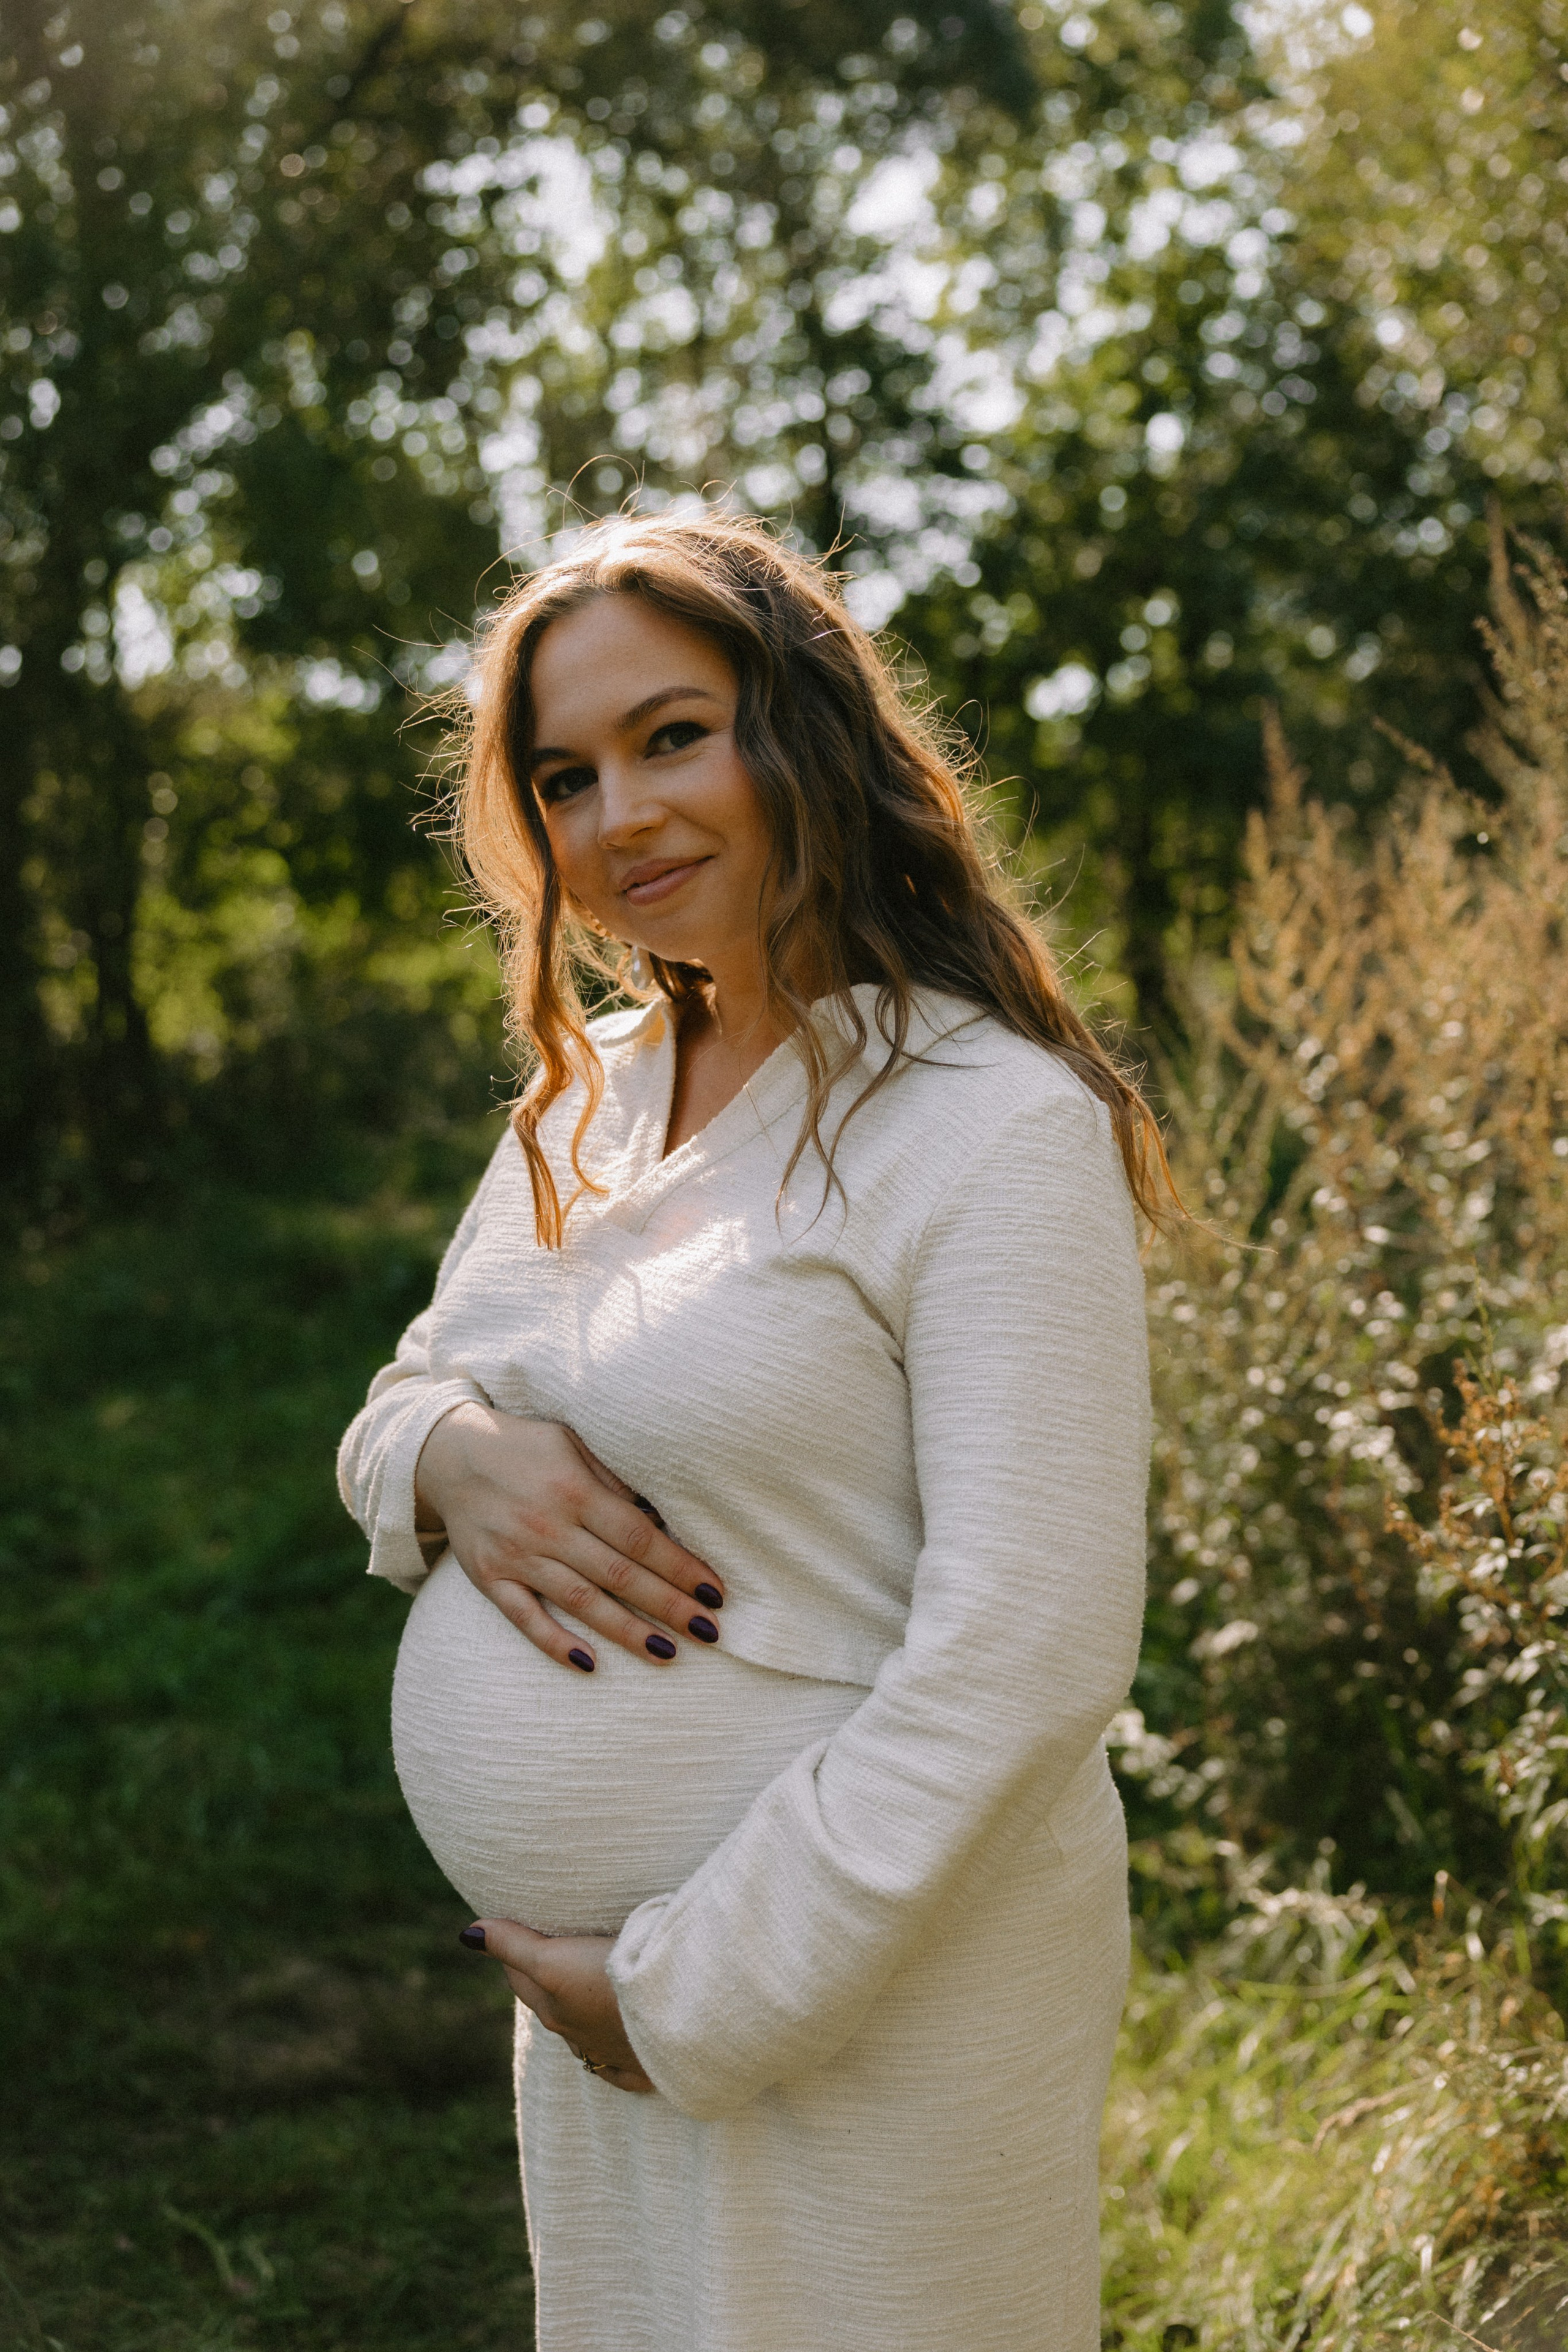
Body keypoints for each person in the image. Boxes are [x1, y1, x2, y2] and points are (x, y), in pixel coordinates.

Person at [336, 510, 1165, 2352]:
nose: (617, 814)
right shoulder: (593, 1101)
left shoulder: (983, 1122)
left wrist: (692, 1991)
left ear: (804, 734)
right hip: (604, 2024)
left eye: (673, 735)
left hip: (870, 1992)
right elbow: (399, 1405)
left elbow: (1029, 1652)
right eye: (564, 773)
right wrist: (451, 1463)